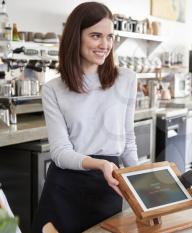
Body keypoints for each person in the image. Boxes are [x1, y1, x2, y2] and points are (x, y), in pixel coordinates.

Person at [32, 2, 138, 232]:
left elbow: (127, 138)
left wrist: (139, 183)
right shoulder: (53, 89)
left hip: (108, 187)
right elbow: (60, 153)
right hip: (64, 190)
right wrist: (100, 164)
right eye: (96, 36)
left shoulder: (127, 79)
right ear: (75, 37)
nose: (105, 44)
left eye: (110, 36)